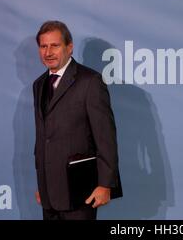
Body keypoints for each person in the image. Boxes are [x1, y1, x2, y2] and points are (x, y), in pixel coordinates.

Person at [32, 20, 122, 220]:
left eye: (55, 45)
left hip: (81, 190)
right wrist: (43, 184)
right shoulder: (38, 85)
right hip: (49, 193)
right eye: (43, 46)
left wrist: (105, 184)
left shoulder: (90, 82)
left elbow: (105, 137)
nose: (48, 52)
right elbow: (43, 137)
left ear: (69, 47)